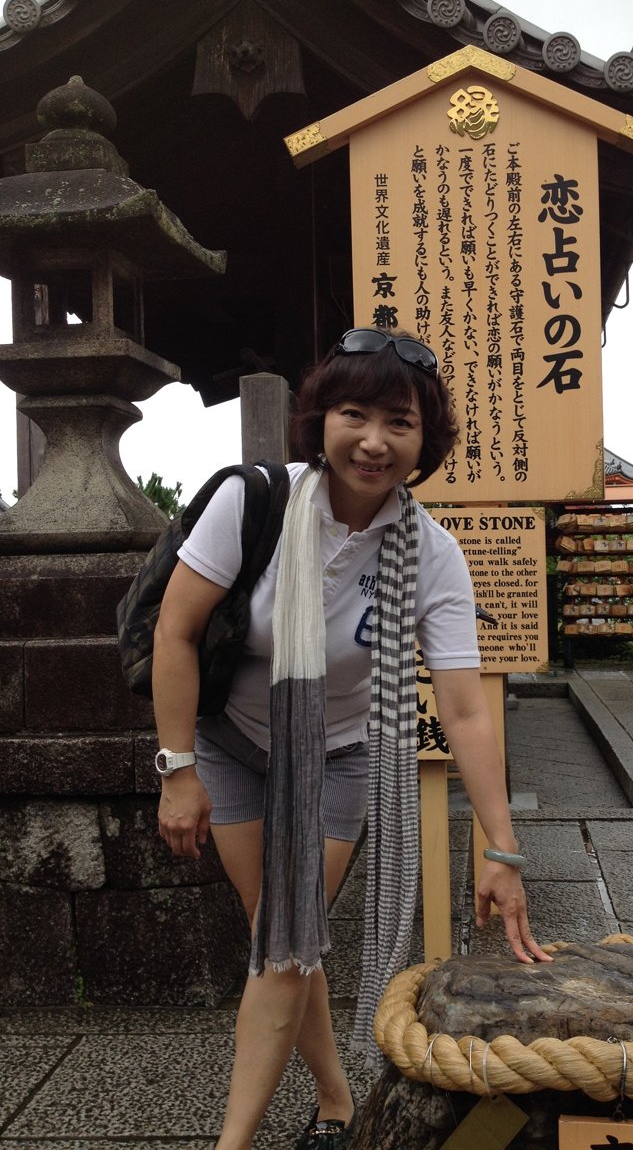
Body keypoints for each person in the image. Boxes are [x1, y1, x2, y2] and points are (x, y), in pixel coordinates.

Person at [152, 327, 551, 1150]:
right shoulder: (252, 502)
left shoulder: (432, 556)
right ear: (321, 418)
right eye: (354, 414)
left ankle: (233, 1143)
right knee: (283, 932)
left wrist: (502, 848)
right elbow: (175, 632)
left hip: (340, 751)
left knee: (286, 943)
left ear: (424, 441)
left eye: (398, 424)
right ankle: (338, 1102)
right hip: (229, 742)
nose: (373, 442)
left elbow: (466, 710)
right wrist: (177, 769)